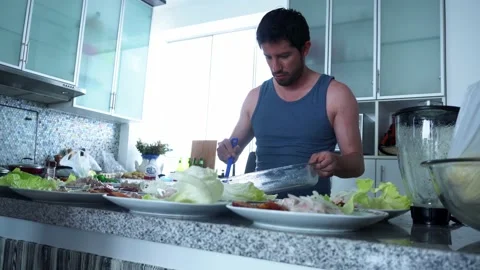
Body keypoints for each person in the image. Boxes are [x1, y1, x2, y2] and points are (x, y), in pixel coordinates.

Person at [216, 8, 365, 198]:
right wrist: (225, 151)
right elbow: (231, 149)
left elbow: (356, 164)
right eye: (268, 57)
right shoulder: (254, 98)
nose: (275, 67)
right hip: (259, 209)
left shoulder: (336, 95)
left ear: (305, 49)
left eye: (284, 56)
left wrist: (336, 162)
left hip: (311, 213)